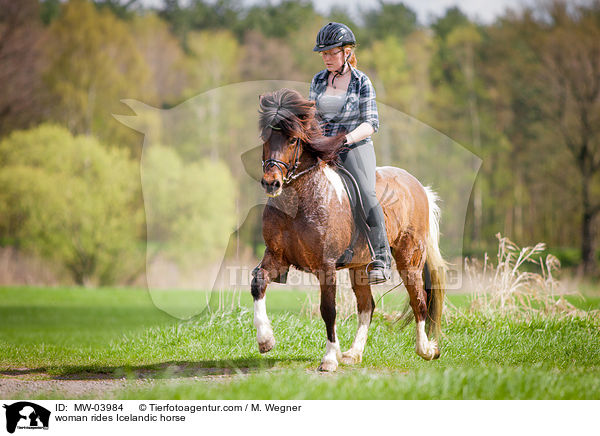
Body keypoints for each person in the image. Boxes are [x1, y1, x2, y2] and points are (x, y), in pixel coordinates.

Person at [309, 22, 392, 284]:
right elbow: (314, 118)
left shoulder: (361, 81)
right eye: (323, 54)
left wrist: (344, 140)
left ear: (347, 52)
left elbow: (371, 124)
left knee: (366, 193)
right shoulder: (318, 80)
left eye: (332, 53)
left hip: (355, 146)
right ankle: (284, 255)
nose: (327, 58)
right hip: (323, 147)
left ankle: (382, 257)